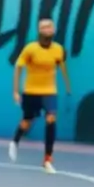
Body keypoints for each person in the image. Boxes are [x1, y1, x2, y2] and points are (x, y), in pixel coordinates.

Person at [8, 17, 71, 172]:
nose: (46, 29)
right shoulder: (30, 49)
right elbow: (18, 68)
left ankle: (47, 159)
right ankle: (15, 142)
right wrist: (15, 91)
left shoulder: (59, 50)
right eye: (43, 27)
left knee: (51, 119)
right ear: (38, 31)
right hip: (31, 92)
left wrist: (68, 86)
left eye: (49, 27)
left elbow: (62, 68)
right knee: (27, 122)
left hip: (50, 92)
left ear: (54, 30)